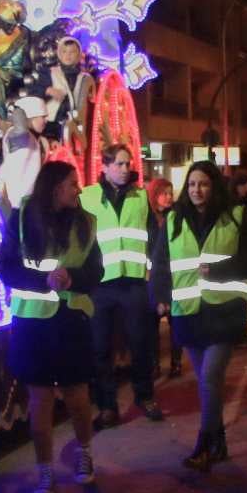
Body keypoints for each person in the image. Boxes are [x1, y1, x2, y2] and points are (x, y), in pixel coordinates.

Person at [0, 160, 102, 493]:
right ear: (55, 187)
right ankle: (45, 472)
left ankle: (84, 454)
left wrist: (74, 278)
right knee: (39, 401)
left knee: (78, 398)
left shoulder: (85, 222)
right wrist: (43, 280)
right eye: (73, 183)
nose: (79, 189)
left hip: (72, 319)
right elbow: (6, 267)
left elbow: (96, 270)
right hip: (32, 322)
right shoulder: (23, 218)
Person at [157, 161, 247, 469]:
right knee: (206, 381)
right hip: (188, 311)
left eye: (202, 184)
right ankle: (218, 442)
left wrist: (219, 269)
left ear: (214, 186)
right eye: (191, 185)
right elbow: (161, 261)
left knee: (211, 375)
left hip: (224, 310)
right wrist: (159, 296)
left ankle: (205, 440)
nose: (196, 190)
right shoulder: (174, 218)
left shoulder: (236, 216)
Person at [80, 143, 164, 427]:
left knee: (141, 344)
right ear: (104, 167)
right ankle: (107, 406)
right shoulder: (87, 197)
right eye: (119, 163)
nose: (126, 168)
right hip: (100, 284)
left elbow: (153, 238)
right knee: (100, 348)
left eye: (128, 164)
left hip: (133, 282)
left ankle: (145, 395)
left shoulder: (140, 197)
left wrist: (153, 275)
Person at [146, 176, 183, 377]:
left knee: (175, 322)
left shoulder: (175, 216)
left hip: (172, 277)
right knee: (151, 326)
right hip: (151, 277)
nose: (168, 197)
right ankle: (154, 364)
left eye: (170, 193)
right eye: (164, 193)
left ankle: (176, 362)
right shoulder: (146, 218)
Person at [0, 93, 48, 210]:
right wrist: (19, 112)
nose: (46, 121)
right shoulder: (15, 134)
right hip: (20, 201)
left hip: (33, 198)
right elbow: (20, 133)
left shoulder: (35, 138)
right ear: (31, 117)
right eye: (43, 117)